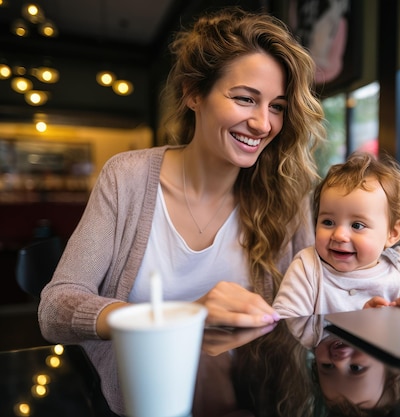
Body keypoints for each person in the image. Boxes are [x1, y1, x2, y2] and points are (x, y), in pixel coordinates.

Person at [38, 7, 325, 415]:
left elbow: (316, 305)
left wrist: (382, 298)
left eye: (277, 106)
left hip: (249, 402)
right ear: (193, 93)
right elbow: (55, 308)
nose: (263, 124)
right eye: (245, 99)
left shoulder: (286, 193)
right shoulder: (129, 177)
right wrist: (185, 316)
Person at [273, 152, 400, 317]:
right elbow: (285, 323)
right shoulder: (307, 268)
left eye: (357, 225)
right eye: (328, 222)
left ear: (392, 233)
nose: (339, 235)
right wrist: (357, 320)